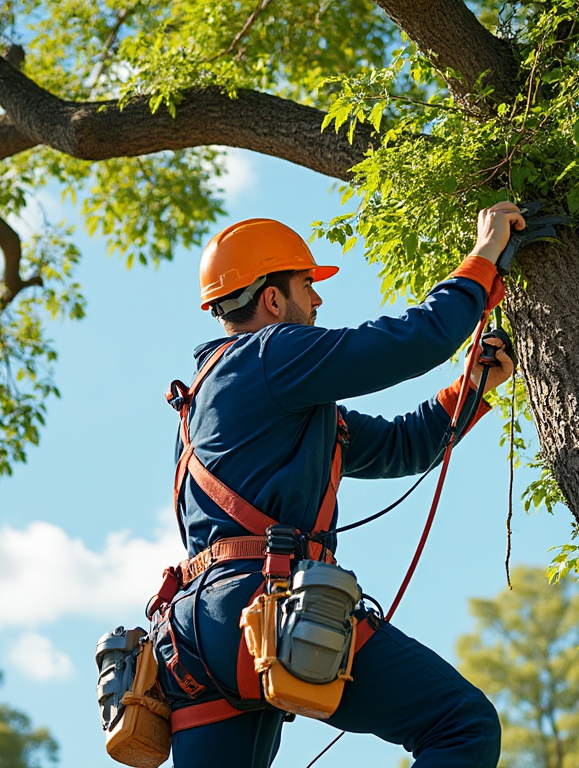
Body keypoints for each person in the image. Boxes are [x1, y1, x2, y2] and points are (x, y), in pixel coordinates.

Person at [154, 202, 526, 768]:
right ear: (272, 299)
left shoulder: (227, 394)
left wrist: (471, 386)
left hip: (196, 638)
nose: (317, 301)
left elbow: (402, 445)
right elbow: (413, 341)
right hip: (266, 602)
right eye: (307, 285)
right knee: (461, 725)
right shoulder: (271, 354)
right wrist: (485, 256)